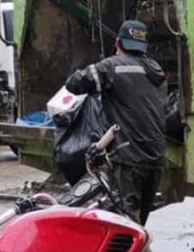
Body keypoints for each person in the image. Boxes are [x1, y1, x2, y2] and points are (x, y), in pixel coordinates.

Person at [66, 20, 168, 225]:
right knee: (139, 225)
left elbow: (74, 83)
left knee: (126, 224)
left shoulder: (112, 66)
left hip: (129, 161)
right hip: (155, 160)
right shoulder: (157, 71)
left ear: (118, 42)